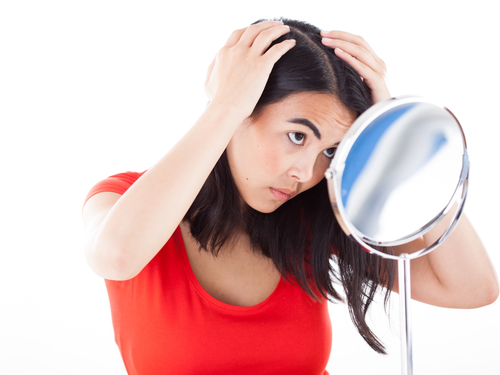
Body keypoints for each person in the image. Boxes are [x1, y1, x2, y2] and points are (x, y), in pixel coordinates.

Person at [82, 18, 498, 374]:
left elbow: (471, 287)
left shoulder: (314, 220)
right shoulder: (125, 200)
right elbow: (116, 257)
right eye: (296, 136)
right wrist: (223, 104)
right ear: (242, 109)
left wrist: (390, 128)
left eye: (330, 152)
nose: (307, 173)